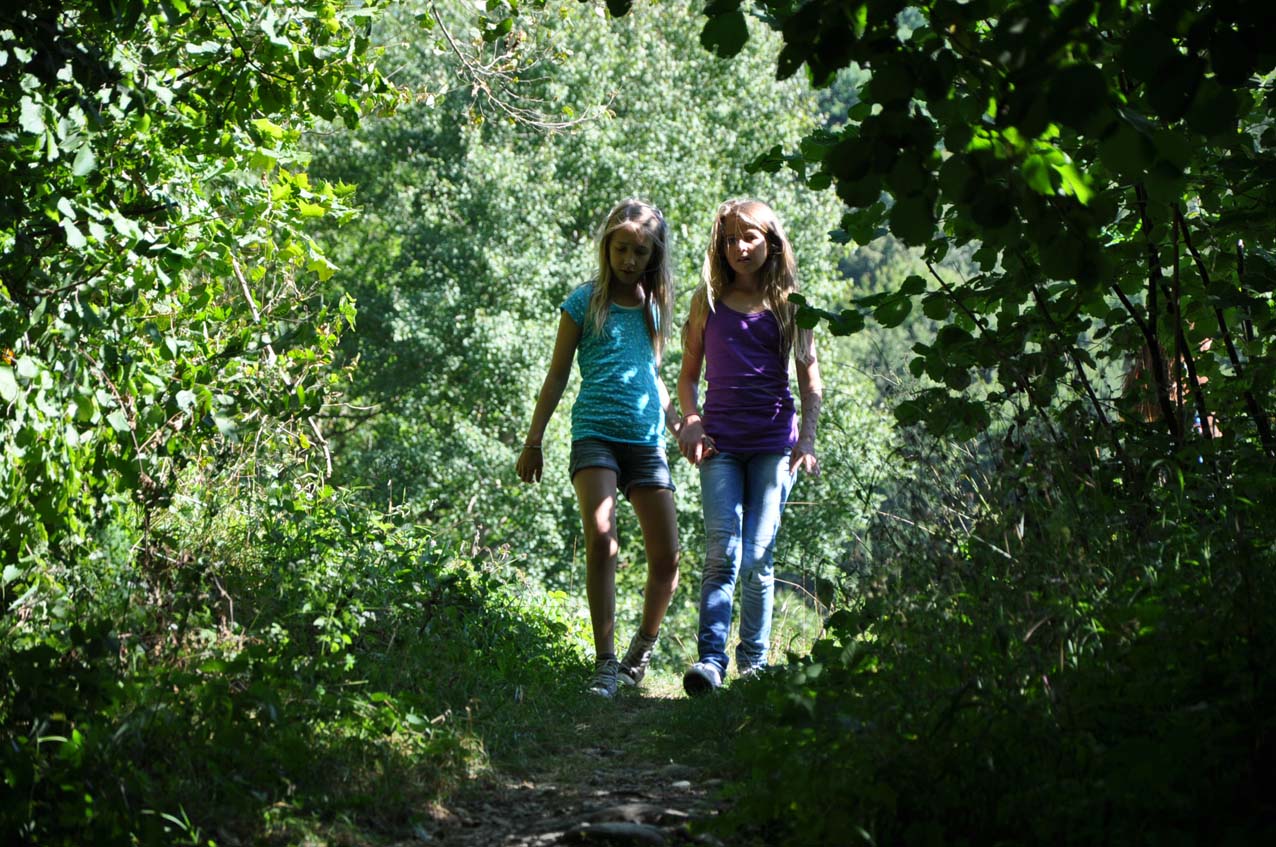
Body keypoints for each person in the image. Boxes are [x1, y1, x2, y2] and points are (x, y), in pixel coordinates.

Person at [516, 199, 682, 699]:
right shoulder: (584, 301)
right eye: (621, 248)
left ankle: (640, 651)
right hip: (595, 435)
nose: (629, 260)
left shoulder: (654, 308)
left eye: (640, 252)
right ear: (607, 247)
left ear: (654, 255)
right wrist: (534, 440)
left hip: (646, 440)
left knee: (668, 559)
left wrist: (680, 426)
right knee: (603, 539)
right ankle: (605, 664)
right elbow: (557, 375)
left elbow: (653, 375)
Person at [676, 198, 823, 696]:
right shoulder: (707, 301)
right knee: (722, 553)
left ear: (771, 242)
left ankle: (754, 667)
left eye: (750, 237)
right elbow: (688, 377)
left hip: (773, 448)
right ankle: (711, 662)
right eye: (730, 239)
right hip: (718, 447)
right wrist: (691, 421)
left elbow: (810, 381)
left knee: (758, 558)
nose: (739, 247)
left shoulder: (792, 305)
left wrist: (807, 440)